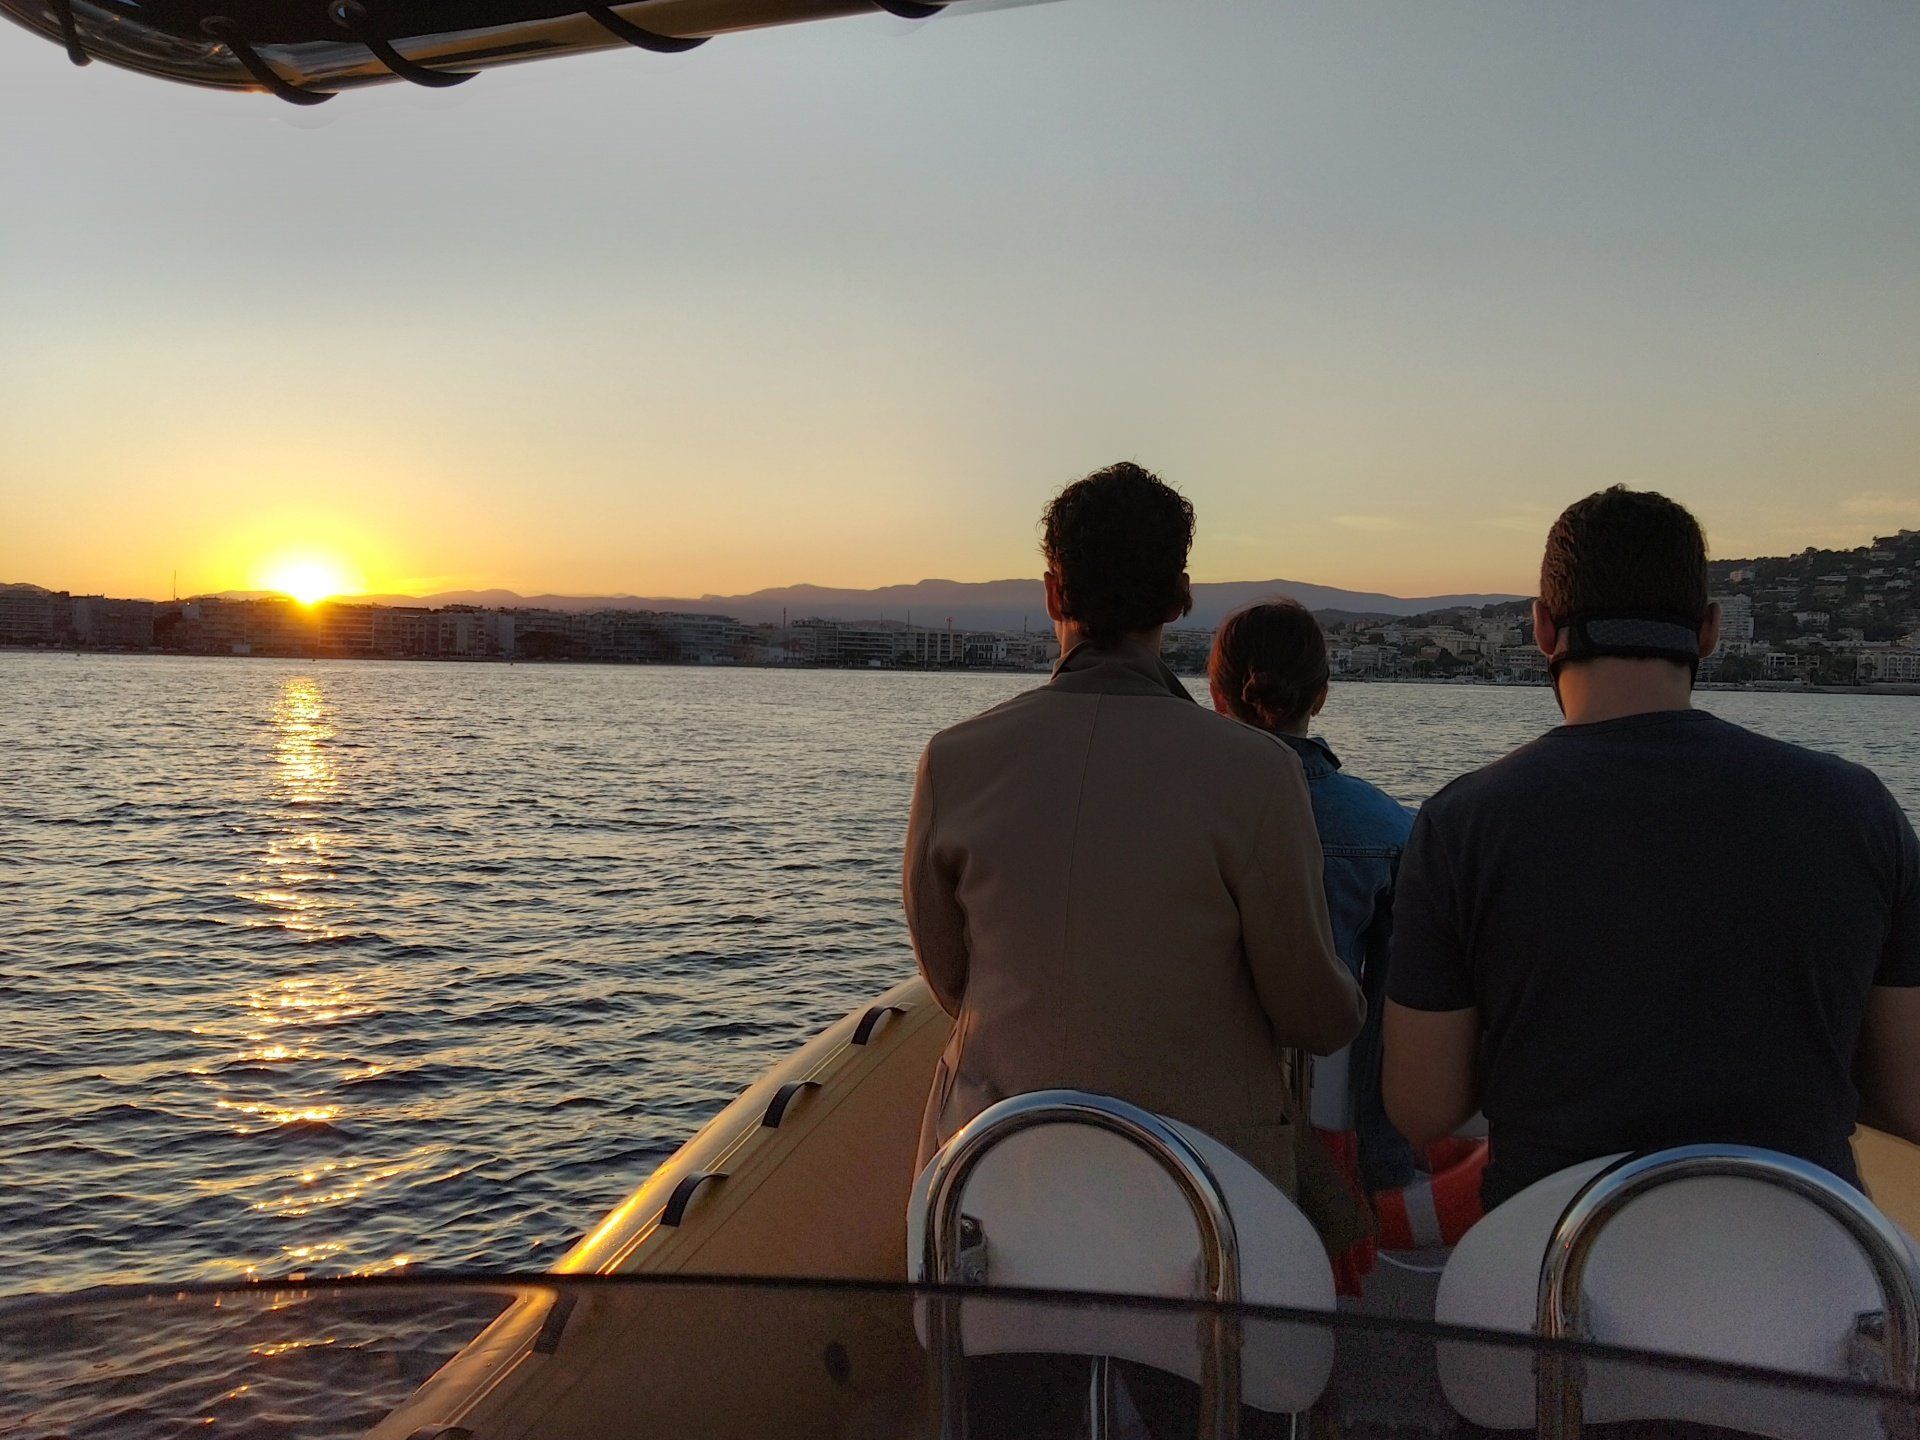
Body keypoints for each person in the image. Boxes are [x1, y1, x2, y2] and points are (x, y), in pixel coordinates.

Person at [1383, 486, 1920, 1211]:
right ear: (1710, 632)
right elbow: (1908, 1096)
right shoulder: (1860, 808)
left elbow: (1421, 1108)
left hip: (1550, 1250)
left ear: (1542, 628)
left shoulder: (1463, 823)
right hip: (1806, 1248)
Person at [904, 463, 1366, 1205]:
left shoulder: (953, 761)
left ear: (1053, 594)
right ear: (1180, 599)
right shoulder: (1257, 771)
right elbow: (1313, 1014)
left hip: (990, 1181)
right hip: (1202, 1195)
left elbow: (952, 982)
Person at [1208, 599, 1423, 1292]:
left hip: (1194, 1123)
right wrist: (1383, 1163)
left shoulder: (1179, 814)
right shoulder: (1390, 829)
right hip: (1320, 1117)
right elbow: (1389, 1019)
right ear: (1322, 696)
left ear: (1217, 694)